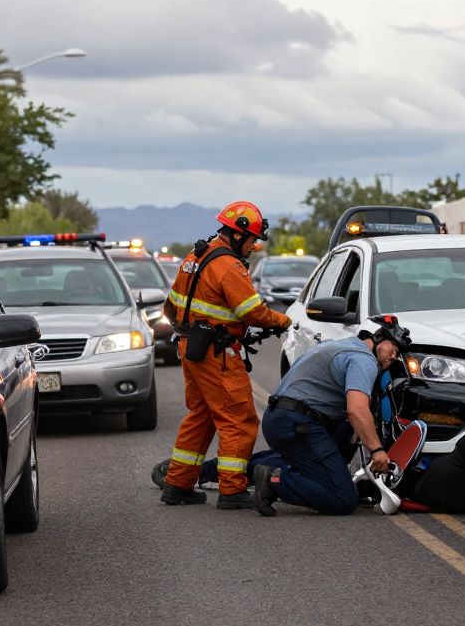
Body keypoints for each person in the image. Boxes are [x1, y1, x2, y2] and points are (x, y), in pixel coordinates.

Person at [160, 201, 292, 510]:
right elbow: (253, 311)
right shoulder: (229, 266)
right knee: (239, 418)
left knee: (201, 416)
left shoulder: (195, 257)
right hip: (216, 353)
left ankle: (178, 485)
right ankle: (232, 490)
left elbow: (171, 306)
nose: (253, 246)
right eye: (252, 240)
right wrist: (283, 321)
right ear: (238, 234)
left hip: (190, 347)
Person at [253, 315, 411, 517]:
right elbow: (357, 410)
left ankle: (224, 472)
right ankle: (274, 481)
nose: (393, 356)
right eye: (393, 349)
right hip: (299, 424)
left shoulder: (334, 346)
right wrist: (377, 450)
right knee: (343, 499)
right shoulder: (364, 360)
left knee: (339, 434)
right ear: (378, 337)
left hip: (278, 419)